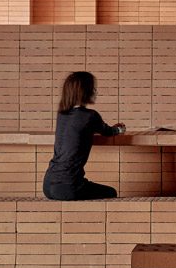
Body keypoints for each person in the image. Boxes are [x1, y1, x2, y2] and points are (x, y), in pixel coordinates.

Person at [44, 71, 124, 200]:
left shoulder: (62, 115)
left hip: (48, 185)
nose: (95, 92)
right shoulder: (90, 116)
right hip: (69, 186)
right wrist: (120, 129)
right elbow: (109, 132)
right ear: (84, 91)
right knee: (111, 193)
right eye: (93, 88)